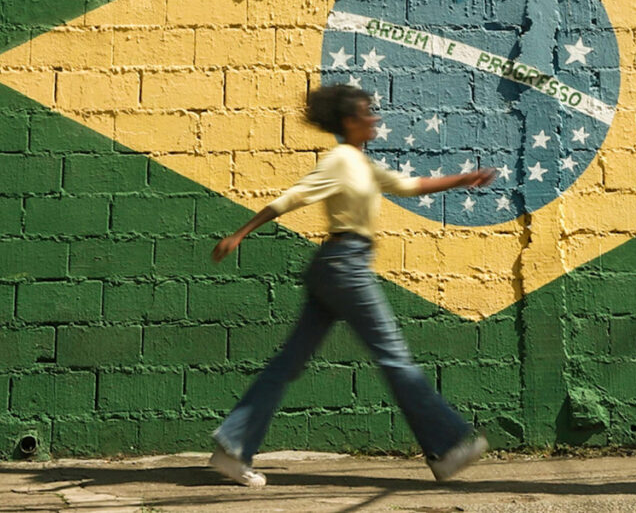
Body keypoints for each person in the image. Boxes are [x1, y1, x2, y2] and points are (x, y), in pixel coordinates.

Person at [208, 84, 494, 487]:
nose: (374, 117)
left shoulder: (362, 163)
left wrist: (463, 178)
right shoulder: (342, 159)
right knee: (395, 357)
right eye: (367, 112)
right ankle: (446, 449)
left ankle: (232, 449)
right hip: (345, 266)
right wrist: (241, 233)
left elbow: (408, 185)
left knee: (289, 363)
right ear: (348, 121)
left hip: (338, 266)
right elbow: (293, 198)